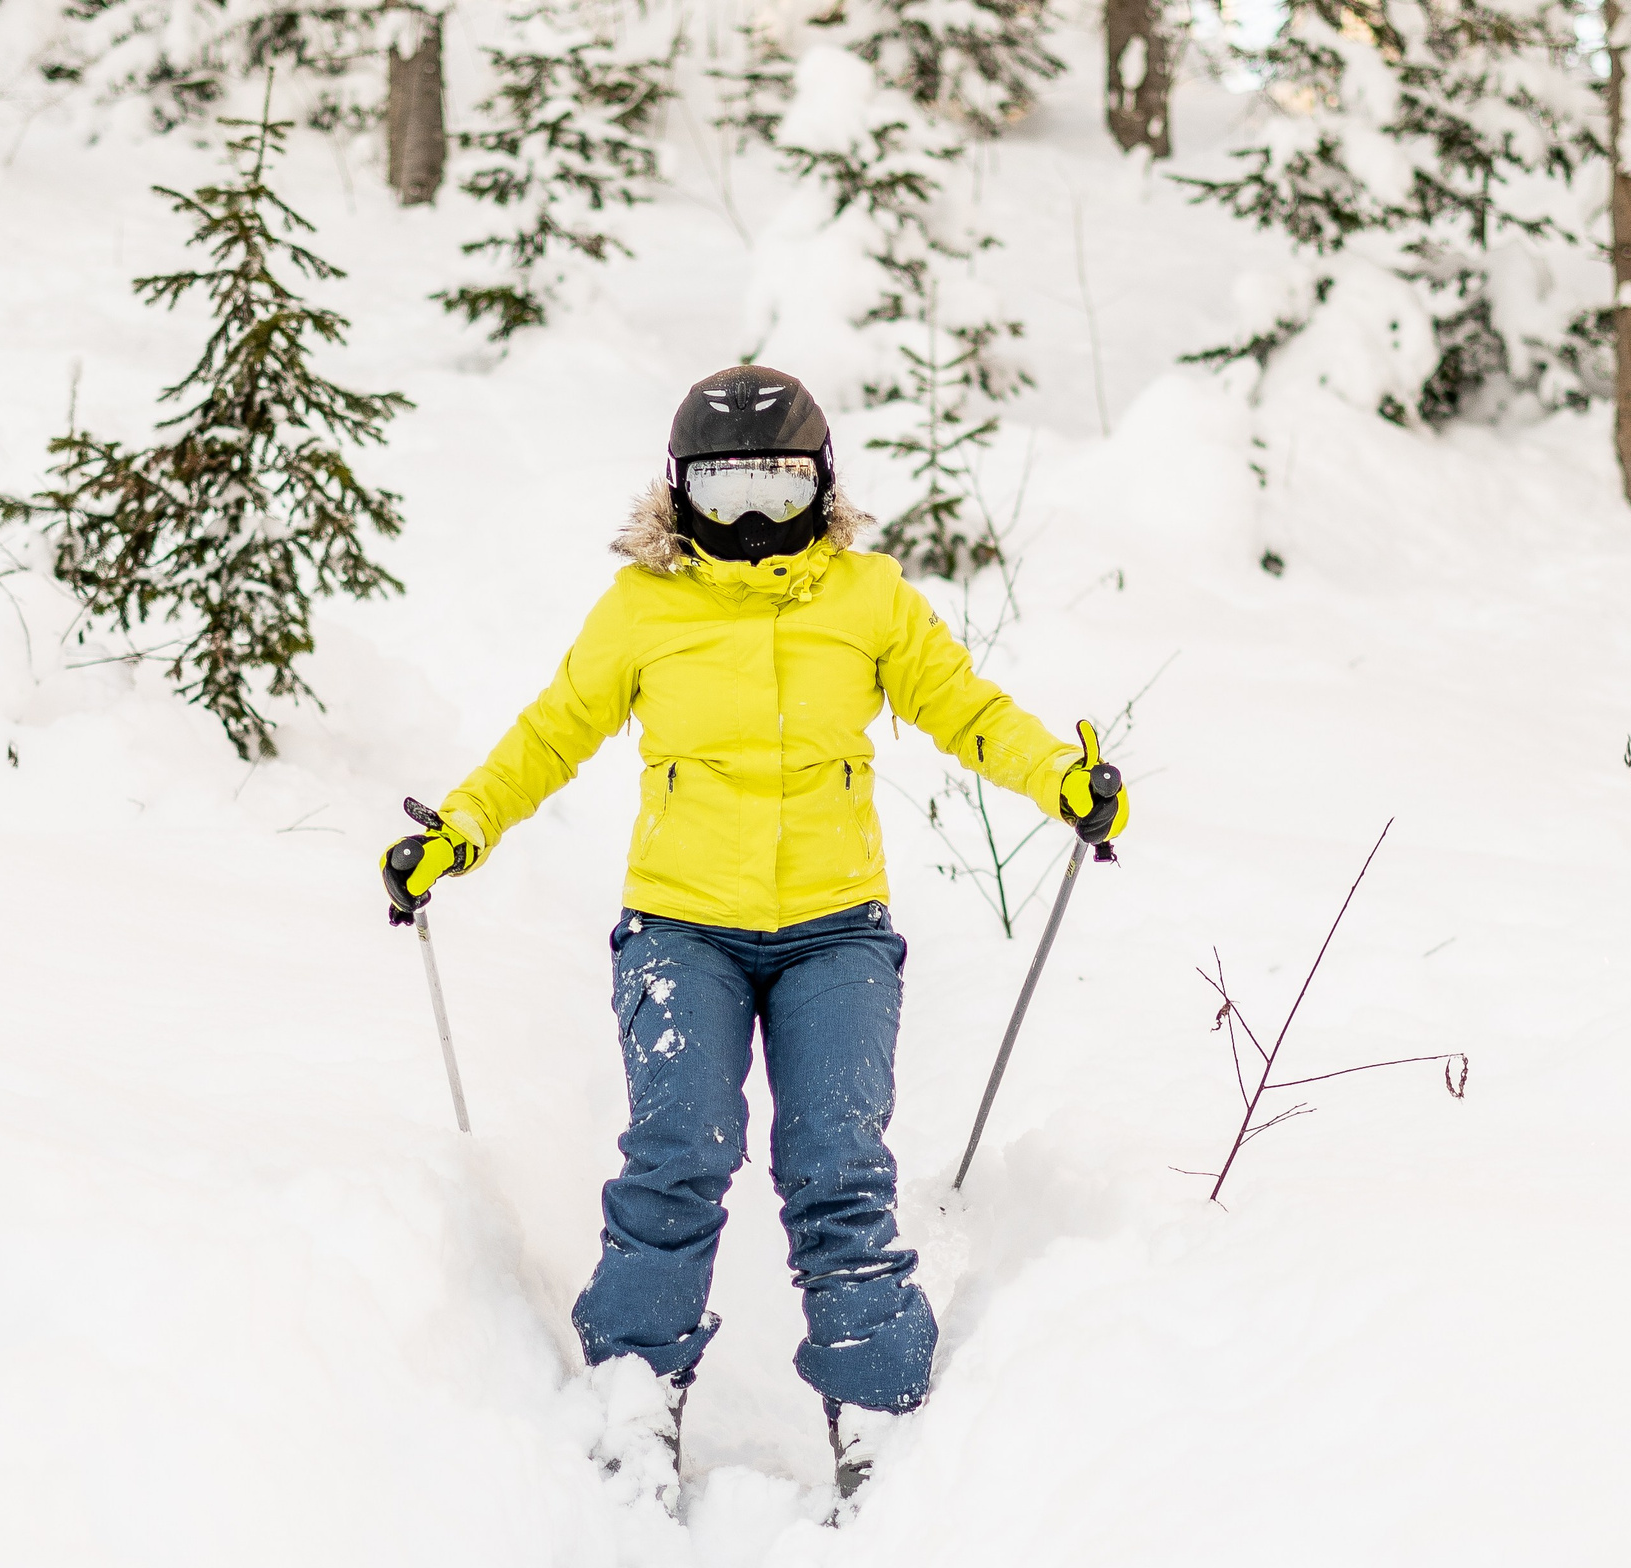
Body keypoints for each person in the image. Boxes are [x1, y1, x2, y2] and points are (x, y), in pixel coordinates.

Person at [383, 364, 1130, 1508]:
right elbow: (547, 738)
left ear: (819, 488)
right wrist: (458, 833)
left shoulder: (869, 597)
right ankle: (634, 1397)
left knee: (837, 1166)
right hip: (683, 930)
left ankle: (878, 1411)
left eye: (774, 491)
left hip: (834, 931)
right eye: (724, 494)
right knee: (678, 1153)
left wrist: (1060, 779)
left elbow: (967, 712)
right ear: (679, 495)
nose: (748, 522)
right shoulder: (642, 610)